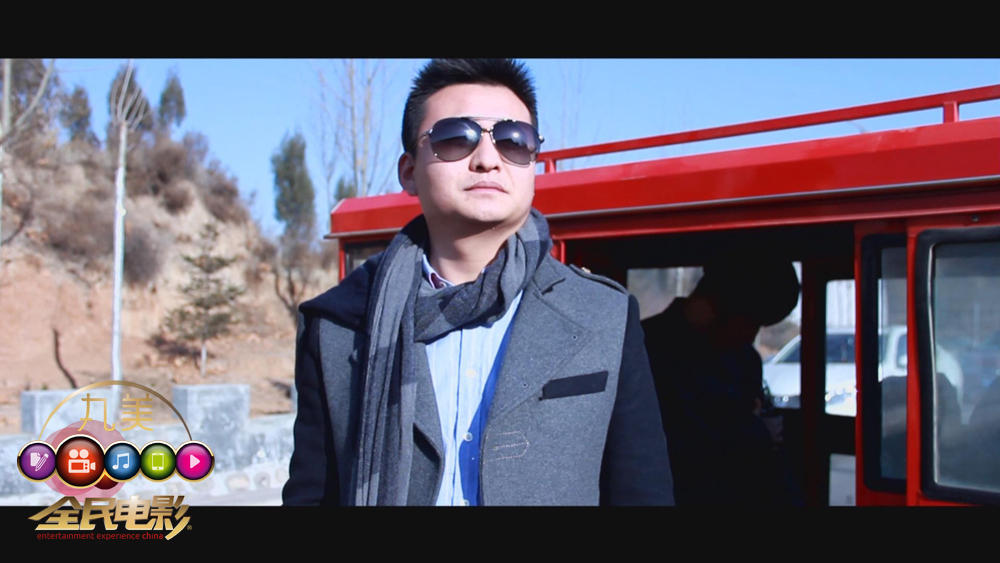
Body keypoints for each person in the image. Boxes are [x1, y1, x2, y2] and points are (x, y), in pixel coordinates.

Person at [282, 59, 673, 506]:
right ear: (408, 171)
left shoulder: (604, 317)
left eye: (514, 141)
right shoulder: (339, 325)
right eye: (455, 137)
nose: (488, 159)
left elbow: (644, 493)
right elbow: (312, 495)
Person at [642, 257, 801, 505]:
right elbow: (680, 441)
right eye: (748, 321)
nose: (751, 335)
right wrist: (758, 433)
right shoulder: (646, 349)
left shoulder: (744, 358)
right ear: (713, 307)